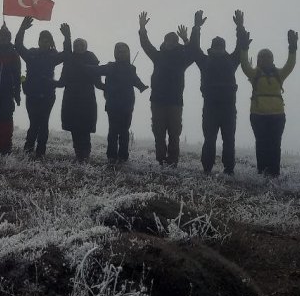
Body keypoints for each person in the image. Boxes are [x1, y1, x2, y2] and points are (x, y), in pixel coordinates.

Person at [236, 13, 297, 177]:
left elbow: (290, 65)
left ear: (272, 59)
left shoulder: (279, 74)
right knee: (261, 144)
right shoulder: (254, 73)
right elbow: (243, 64)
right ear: (258, 59)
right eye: (262, 57)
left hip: (277, 115)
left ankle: (274, 173)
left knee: (275, 144)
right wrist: (244, 48)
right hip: (258, 115)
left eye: (267, 56)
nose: (264, 59)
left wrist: (293, 48)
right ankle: (262, 172)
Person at [138, 11, 197, 166]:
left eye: (173, 40)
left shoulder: (182, 58)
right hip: (157, 100)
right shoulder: (158, 56)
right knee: (158, 132)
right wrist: (142, 28)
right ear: (164, 42)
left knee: (174, 134)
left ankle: (172, 162)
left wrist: (186, 39)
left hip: (175, 102)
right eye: (168, 40)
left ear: (176, 43)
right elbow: (145, 44)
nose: (170, 43)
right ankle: (160, 160)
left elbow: (192, 52)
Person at [190, 10, 244, 175]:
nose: (218, 48)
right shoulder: (205, 60)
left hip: (227, 108)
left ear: (223, 47)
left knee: (228, 140)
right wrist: (196, 27)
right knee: (210, 139)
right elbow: (194, 48)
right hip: (211, 107)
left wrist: (240, 27)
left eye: (220, 46)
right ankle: (207, 168)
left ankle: (228, 169)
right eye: (217, 46)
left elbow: (241, 46)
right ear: (212, 47)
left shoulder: (231, 60)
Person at [15, 16, 63, 158]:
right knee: (34, 122)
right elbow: (18, 45)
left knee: (43, 122)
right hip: (32, 94)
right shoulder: (31, 54)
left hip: (48, 96)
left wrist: (67, 37)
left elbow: (67, 54)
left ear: (50, 42)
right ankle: (29, 149)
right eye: (42, 39)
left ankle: (40, 151)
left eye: (47, 40)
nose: (44, 42)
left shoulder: (53, 56)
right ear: (39, 41)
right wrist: (22, 28)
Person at [93, 43, 148, 163]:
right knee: (113, 131)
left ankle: (123, 156)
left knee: (124, 131)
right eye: (119, 51)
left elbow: (135, 80)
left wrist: (141, 86)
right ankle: (112, 155)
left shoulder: (131, 68)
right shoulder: (110, 67)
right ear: (115, 53)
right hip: (113, 104)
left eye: (124, 52)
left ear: (128, 53)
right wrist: (103, 86)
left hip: (127, 105)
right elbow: (96, 70)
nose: (122, 54)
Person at [58, 23, 100, 161]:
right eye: (76, 45)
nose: (78, 47)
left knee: (85, 128)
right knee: (75, 128)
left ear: (86, 47)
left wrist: (108, 87)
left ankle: (86, 154)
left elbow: (98, 81)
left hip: (87, 99)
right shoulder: (70, 59)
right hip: (71, 98)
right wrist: (67, 36)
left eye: (81, 45)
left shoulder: (92, 60)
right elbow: (67, 49)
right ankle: (78, 153)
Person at [0, 24, 22, 154]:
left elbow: (17, 75)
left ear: (9, 38)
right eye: (0, 37)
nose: (2, 39)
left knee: (7, 118)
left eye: (5, 37)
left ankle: (7, 145)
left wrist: (17, 94)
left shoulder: (14, 54)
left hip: (7, 92)